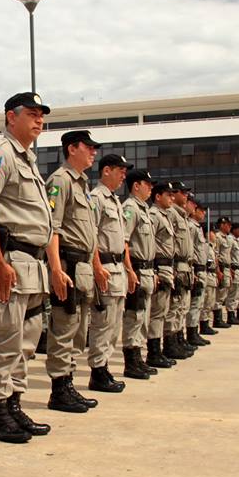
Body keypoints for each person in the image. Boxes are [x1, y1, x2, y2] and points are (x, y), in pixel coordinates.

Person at [0, 92, 54, 443]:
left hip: (32, 264)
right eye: (32, 114)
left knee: (26, 342)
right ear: (10, 117)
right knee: (5, 341)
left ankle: (14, 405)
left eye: (41, 115)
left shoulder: (28, 160)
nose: (39, 120)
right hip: (11, 261)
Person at [45, 129, 113, 410]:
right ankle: (59, 390)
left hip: (83, 267)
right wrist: (55, 270)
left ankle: (68, 383)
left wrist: (96, 267)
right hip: (68, 264)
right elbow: (52, 228)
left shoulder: (82, 185)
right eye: (89, 147)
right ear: (72, 149)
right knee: (64, 328)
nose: (93, 152)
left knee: (78, 330)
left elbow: (91, 234)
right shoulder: (60, 181)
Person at [89, 154, 140, 385]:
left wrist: (129, 270)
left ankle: (104, 367)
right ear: (106, 171)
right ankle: (98, 371)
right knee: (103, 323)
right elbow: (90, 235)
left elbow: (123, 242)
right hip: (105, 268)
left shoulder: (116, 202)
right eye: (120, 171)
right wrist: (97, 267)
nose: (123, 176)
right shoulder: (96, 198)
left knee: (114, 324)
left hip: (118, 269)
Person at [121, 169, 164, 372]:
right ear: (136, 186)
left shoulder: (144, 210)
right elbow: (124, 242)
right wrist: (129, 270)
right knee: (134, 315)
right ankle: (131, 360)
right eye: (148, 184)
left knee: (143, 316)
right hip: (136, 269)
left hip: (147, 270)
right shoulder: (130, 208)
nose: (151, 188)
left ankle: (138, 357)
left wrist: (153, 271)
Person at [149, 182, 184, 362]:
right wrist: (154, 270)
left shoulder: (165, 216)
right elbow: (150, 245)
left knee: (165, 310)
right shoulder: (154, 215)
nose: (172, 198)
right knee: (157, 312)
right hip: (159, 267)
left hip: (168, 267)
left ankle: (162, 348)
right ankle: (154, 352)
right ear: (158, 197)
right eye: (168, 195)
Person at [165, 181, 197, 356]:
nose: (186, 196)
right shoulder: (171, 213)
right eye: (183, 193)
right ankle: (170, 344)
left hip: (185, 266)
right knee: (173, 307)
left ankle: (178, 339)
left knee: (181, 307)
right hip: (176, 265)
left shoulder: (182, 216)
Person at [185, 196, 211, 347]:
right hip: (196, 269)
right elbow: (190, 250)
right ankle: (191, 333)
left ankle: (194, 332)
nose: (203, 213)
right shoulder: (191, 226)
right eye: (201, 210)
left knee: (199, 303)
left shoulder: (197, 227)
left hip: (202, 269)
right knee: (193, 304)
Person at [213, 217, 233, 329]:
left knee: (223, 294)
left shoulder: (227, 238)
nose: (229, 227)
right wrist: (218, 271)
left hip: (226, 268)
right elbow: (215, 255)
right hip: (221, 267)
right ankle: (217, 319)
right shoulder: (218, 237)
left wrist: (230, 269)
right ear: (222, 225)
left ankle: (220, 318)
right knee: (219, 295)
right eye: (227, 224)